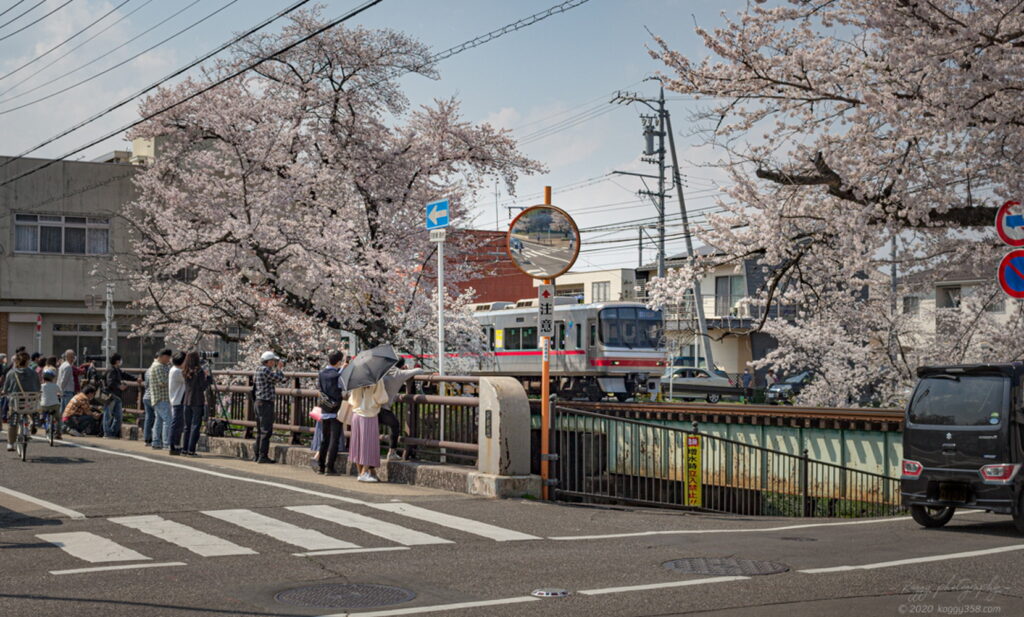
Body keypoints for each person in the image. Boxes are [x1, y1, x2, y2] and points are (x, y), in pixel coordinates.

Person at [378, 357, 426, 460]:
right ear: (402, 365)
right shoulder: (400, 374)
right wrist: (406, 369)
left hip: (372, 406)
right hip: (384, 407)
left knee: (373, 430)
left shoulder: (383, 370)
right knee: (395, 425)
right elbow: (420, 370)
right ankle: (392, 451)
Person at [348, 380, 390, 483]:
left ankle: (360, 472)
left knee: (358, 445)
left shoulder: (356, 378)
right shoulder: (377, 379)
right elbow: (382, 398)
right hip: (369, 415)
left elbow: (351, 397)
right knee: (368, 444)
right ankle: (364, 472)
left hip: (356, 414)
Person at [315, 350, 348, 475]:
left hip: (325, 408)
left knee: (325, 439)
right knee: (334, 439)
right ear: (339, 362)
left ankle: (320, 467)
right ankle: (330, 467)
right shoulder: (338, 375)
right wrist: (343, 370)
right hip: (336, 410)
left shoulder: (322, 373)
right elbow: (343, 387)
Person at [252, 351, 287, 464]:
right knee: (266, 430)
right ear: (269, 361)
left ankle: (257, 455)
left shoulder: (258, 369)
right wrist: (280, 369)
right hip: (266, 403)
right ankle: (263, 456)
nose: (274, 363)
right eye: (273, 361)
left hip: (258, 402)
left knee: (259, 430)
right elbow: (280, 379)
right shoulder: (265, 370)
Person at [4, 352, 41, 451]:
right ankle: (33, 421)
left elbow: (6, 389)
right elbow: (38, 387)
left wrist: (4, 392)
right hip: (30, 403)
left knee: (13, 421)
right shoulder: (34, 373)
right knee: (32, 409)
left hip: (16, 403)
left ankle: (10, 444)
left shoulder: (11, 373)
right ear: (28, 361)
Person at [180, 351, 212, 457]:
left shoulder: (185, 370)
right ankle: (191, 450)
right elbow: (202, 387)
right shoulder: (199, 371)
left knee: (187, 426)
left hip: (186, 400)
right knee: (195, 426)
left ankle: (185, 449)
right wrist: (208, 379)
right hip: (197, 400)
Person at [102, 353, 138, 438]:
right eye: (120, 360)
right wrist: (119, 386)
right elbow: (110, 382)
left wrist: (136, 379)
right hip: (111, 396)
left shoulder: (117, 370)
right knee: (108, 415)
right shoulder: (111, 370)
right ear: (117, 361)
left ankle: (112, 433)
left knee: (118, 416)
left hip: (117, 396)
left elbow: (125, 375)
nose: (121, 361)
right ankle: (107, 434)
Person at [145, 349, 173, 452]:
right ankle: (166, 443)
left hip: (158, 397)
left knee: (159, 420)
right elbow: (163, 382)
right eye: (168, 358)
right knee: (167, 420)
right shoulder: (158, 366)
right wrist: (173, 379)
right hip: (161, 397)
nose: (169, 360)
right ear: (163, 356)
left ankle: (156, 442)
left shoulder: (159, 365)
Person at [166, 351, 186, 451]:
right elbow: (188, 378)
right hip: (178, 400)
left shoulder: (174, 369)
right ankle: (173, 445)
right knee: (177, 423)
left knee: (179, 423)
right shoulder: (177, 371)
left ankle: (175, 444)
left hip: (177, 399)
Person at [40, 370, 61, 439]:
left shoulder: (42, 386)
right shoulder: (55, 386)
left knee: (42, 412)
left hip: (44, 405)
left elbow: (38, 393)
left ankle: (42, 419)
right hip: (55, 405)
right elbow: (61, 393)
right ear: (52, 378)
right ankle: (58, 433)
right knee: (58, 419)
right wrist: (58, 395)